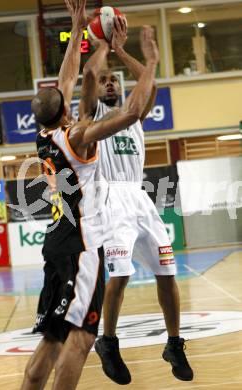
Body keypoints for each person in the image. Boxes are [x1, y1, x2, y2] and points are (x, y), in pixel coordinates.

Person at [20, 1, 160, 388]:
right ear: (65, 110)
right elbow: (132, 113)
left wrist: (81, 30)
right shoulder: (76, 136)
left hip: (55, 243)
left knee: (50, 342)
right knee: (80, 341)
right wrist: (149, 61)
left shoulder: (44, 135)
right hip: (82, 249)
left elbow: (69, 78)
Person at [79, 16, 193, 385]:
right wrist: (98, 49)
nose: (109, 82)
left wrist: (122, 52)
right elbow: (87, 82)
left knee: (167, 270)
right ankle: (108, 342)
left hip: (139, 196)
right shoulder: (92, 116)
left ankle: (174, 343)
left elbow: (149, 83)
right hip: (109, 196)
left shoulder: (135, 115)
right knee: (122, 273)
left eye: (115, 80)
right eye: (105, 80)